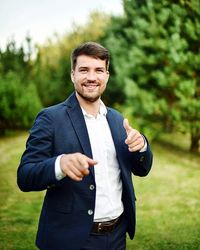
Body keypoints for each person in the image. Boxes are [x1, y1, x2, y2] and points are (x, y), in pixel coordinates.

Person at [17, 41, 153, 250]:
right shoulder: (50, 118)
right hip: (70, 240)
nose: (91, 77)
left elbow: (141, 169)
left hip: (117, 237)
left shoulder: (116, 119)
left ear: (107, 75)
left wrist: (142, 145)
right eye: (84, 70)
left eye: (99, 70)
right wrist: (60, 164)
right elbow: (25, 176)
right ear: (72, 74)